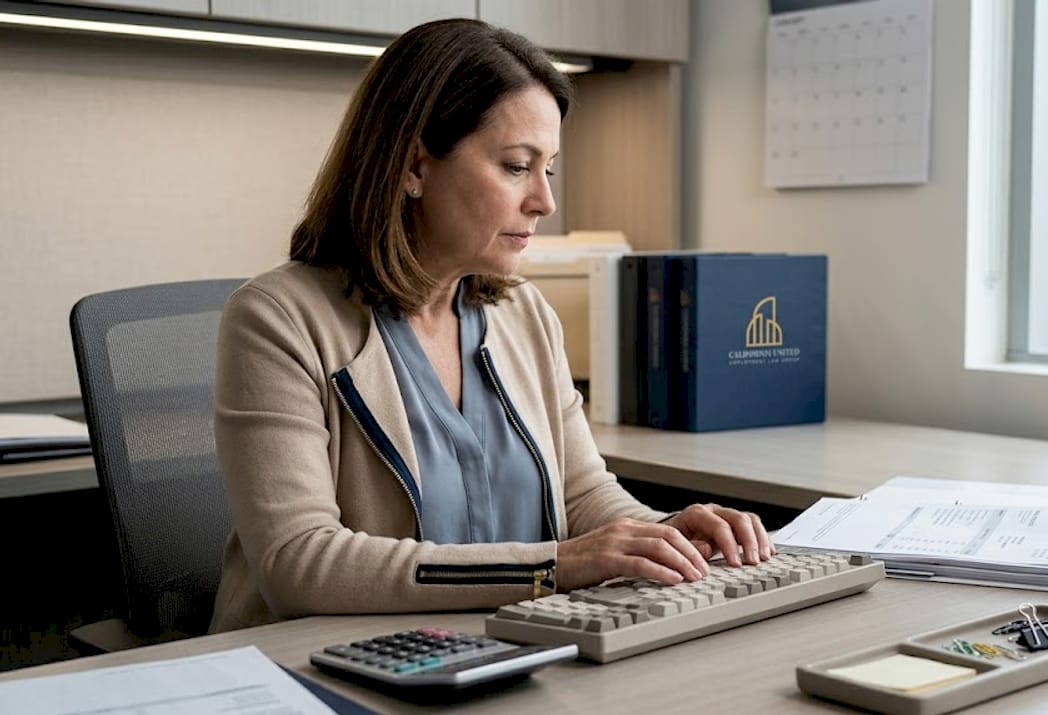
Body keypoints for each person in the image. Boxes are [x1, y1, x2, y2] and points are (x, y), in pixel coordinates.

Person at [209, 18, 774, 633]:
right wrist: (551, 568)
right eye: (515, 166)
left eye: (548, 169)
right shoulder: (277, 319)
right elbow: (299, 562)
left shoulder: (523, 313)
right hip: (321, 665)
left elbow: (583, 497)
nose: (544, 201)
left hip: (493, 648)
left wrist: (661, 532)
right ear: (414, 167)